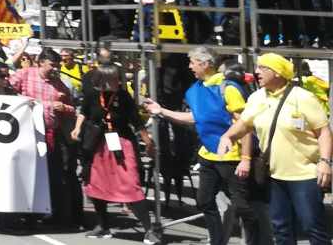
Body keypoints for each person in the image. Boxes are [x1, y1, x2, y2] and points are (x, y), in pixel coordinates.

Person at [144, 48, 259, 245]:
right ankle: (217, 241)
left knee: (242, 207)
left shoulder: (227, 88)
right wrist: (161, 110)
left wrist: (246, 159)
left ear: (205, 64)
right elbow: (195, 118)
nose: (190, 66)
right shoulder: (196, 89)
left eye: (193, 62)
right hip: (208, 154)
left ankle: (258, 240)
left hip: (231, 157)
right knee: (204, 201)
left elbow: (245, 126)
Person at [218, 53, 331, 245]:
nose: (256, 72)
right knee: (281, 228)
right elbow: (244, 124)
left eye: (263, 68)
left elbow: (324, 132)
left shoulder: (302, 98)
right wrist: (227, 136)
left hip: (304, 175)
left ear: (278, 73)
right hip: (275, 176)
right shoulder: (256, 98)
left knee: (312, 226)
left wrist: (325, 162)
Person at [74, 64, 159, 243]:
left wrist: (148, 142)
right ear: (103, 80)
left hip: (122, 144)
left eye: (118, 78)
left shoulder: (123, 96)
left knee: (131, 184)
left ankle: (149, 229)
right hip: (98, 145)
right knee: (97, 185)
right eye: (114, 79)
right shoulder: (92, 94)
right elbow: (84, 112)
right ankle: (103, 226)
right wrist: (77, 128)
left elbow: (136, 121)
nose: (118, 81)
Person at [11, 48, 81, 230]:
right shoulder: (24, 74)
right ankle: (27, 214)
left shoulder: (59, 83)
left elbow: (73, 109)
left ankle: (53, 212)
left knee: (52, 176)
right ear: (40, 62)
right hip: (27, 133)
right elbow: (7, 94)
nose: (55, 69)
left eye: (57, 66)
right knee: (29, 174)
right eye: (52, 65)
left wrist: (64, 108)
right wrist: (30, 102)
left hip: (51, 135)